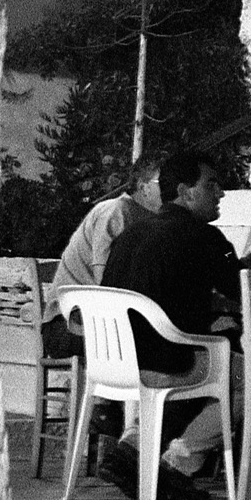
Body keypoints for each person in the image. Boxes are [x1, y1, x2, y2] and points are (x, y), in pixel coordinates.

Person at [97, 148, 241, 500]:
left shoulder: (130, 234)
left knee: (205, 360)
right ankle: (179, 464)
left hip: (115, 364)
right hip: (168, 364)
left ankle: (131, 449)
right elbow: (243, 293)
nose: (220, 193)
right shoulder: (205, 238)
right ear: (184, 191)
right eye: (211, 185)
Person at [41, 154, 162, 360]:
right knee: (155, 348)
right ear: (143, 188)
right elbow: (105, 284)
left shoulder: (154, 221)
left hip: (99, 321)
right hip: (67, 326)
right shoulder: (116, 212)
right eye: (165, 183)